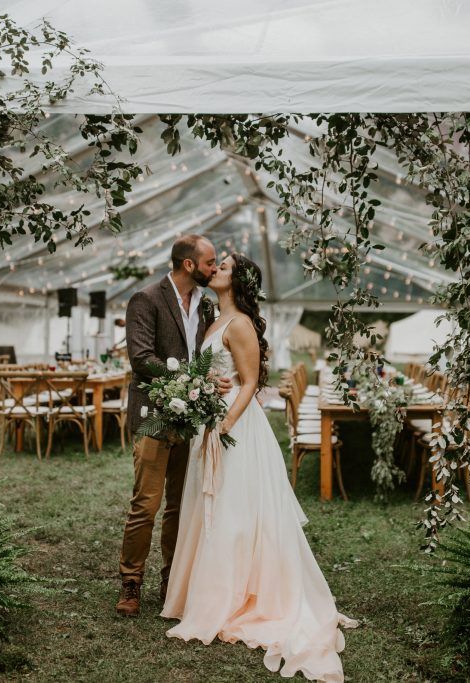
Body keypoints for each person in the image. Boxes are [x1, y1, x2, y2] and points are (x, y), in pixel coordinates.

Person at [161, 253, 357, 682]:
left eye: (224, 267)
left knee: (234, 510)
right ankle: (208, 593)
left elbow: (250, 382)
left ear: (239, 282)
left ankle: (237, 595)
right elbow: (216, 371)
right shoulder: (214, 321)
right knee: (212, 506)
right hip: (208, 420)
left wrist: (224, 426)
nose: (215, 269)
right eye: (217, 264)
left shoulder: (242, 324)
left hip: (233, 428)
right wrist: (202, 391)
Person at [116, 234, 228, 617]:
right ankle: (130, 582)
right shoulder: (145, 300)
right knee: (145, 504)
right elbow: (142, 359)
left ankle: (171, 579)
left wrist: (210, 384)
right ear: (189, 265)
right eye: (211, 262)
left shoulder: (207, 307)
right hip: (154, 416)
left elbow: (207, 355)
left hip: (191, 419)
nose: (215, 268)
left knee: (181, 505)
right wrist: (193, 381)